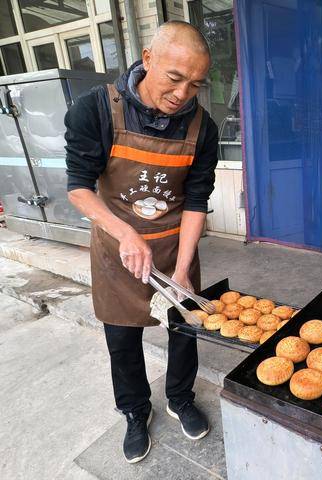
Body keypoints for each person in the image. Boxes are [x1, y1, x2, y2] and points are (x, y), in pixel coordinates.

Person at [64, 21, 218, 463]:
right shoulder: (93, 110)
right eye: (174, 78)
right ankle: (134, 412)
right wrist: (126, 233)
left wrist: (184, 266)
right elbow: (78, 187)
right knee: (122, 338)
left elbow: (195, 200)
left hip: (174, 246)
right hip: (118, 249)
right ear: (148, 59)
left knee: (184, 328)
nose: (183, 93)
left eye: (195, 85)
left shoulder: (201, 128)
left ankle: (181, 398)